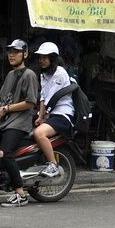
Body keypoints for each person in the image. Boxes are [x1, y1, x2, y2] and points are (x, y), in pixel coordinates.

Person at [0, 39, 39, 207]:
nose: (11, 55)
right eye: (9, 52)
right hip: (4, 122)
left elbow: (31, 102)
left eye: (15, 52)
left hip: (19, 123)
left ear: (25, 54)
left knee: (5, 153)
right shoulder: (11, 75)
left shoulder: (30, 75)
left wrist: (7, 109)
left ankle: (20, 193)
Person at [33, 42, 72, 179]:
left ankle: (53, 165)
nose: (41, 61)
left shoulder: (60, 73)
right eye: (40, 57)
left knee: (39, 133)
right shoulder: (44, 75)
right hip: (51, 114)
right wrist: (40, 116)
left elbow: (53, 98)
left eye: (44, 57)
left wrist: (44, 116)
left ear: (52, 58)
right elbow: (43, 97)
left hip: (63, 115)